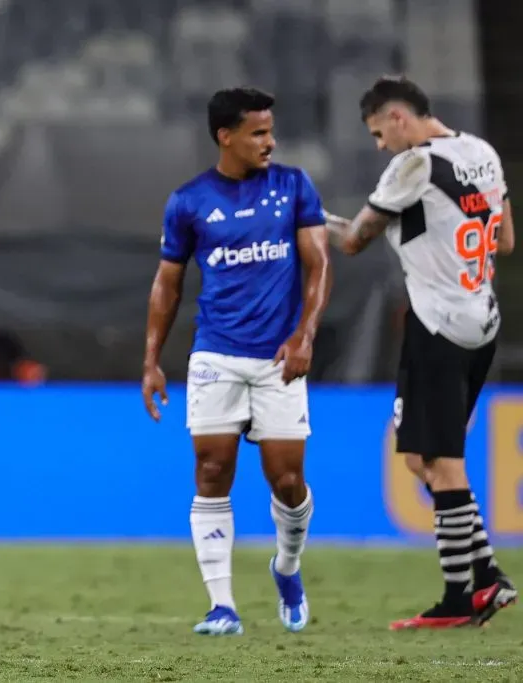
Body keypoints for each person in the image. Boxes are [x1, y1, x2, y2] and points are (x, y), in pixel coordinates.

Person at [324, 75, 517, 630]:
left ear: (398, 117)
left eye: (377, 132)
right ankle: (481, 576)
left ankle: (467, 593)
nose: (379, 144)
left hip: (439, 325)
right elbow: (504, 241)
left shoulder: (414, 165)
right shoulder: (481, 152)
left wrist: (309, 218)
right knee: (418, 459)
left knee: (443, 463)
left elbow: (354, 240)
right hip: (482, 320)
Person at [141, 87, 332, 636]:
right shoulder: (188, 201)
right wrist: (152, 360)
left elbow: (319, 266)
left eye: (271, 131)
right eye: (258, 133)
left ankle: (287, 567)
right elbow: (167, 284)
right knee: (211, 472)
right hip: (216, 354)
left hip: (278, 358)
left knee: (287, 480)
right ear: (226, 136)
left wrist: (304, 336)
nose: (270, 142)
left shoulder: (294, 186)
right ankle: (221, 606)